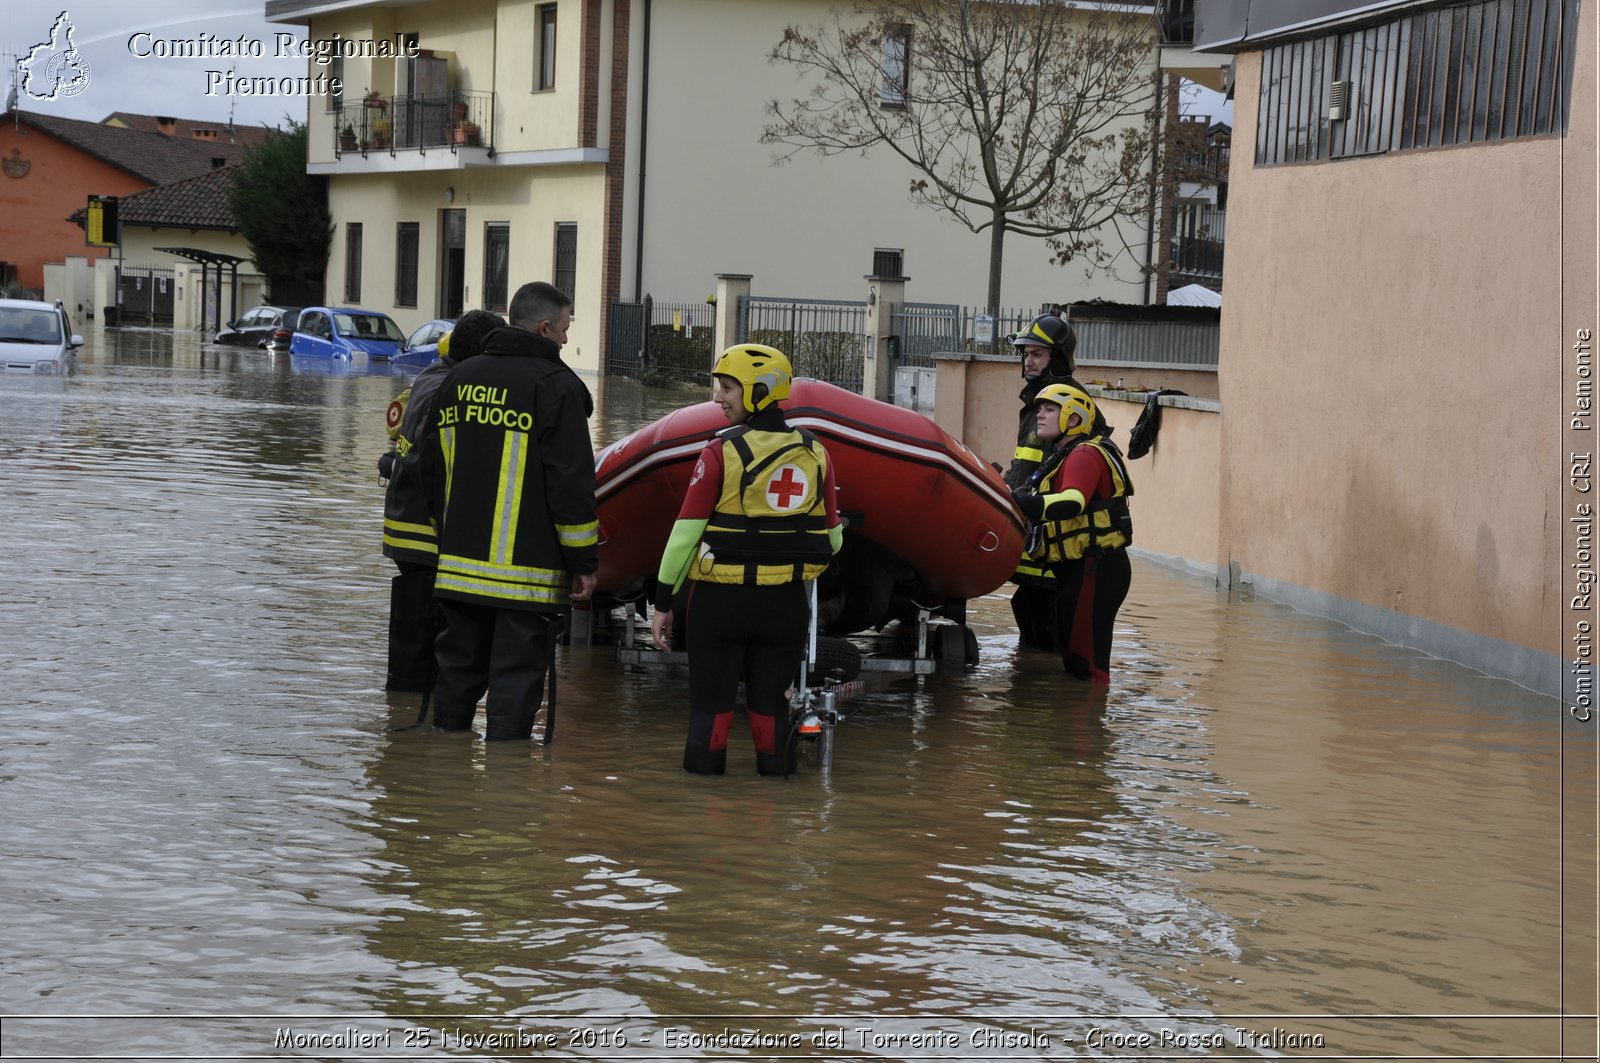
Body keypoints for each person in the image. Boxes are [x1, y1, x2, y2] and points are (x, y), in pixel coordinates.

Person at [650, 343, 843, 776]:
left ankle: (702, 813)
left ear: (758, 390)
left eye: (727, 388)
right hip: (785, 607)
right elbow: (833, 540)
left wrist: (663, 602)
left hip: (720, 605)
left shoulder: (720, 452)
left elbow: (684, 538)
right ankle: (775, 821)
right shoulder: (816, 453)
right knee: (773, 715)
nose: (718, 398)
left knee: (710, 716)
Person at [423, 283, 598, 740]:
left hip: (458, 571)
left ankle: (442, 768)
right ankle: (507, 789)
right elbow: (572, 487)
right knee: (514, 688)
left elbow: (429, 468)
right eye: (564, 328)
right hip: (528, 577)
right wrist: (583, 564)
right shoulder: (556, 388)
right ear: (544, 327)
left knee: (456, 677)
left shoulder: (456, 380)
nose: (565, 339)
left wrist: (447, 537)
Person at [379, 309, 505, 692]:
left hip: (409, 523)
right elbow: (431, 463)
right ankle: (419, 706)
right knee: (430, 629)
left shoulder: (433, 376)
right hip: (423, 530)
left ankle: (412, 712)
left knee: (421, 627)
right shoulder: (449, 387)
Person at [1010, 383, 1133, 685]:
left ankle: (1089, 728)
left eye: (1050, 409)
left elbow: (1072, 502)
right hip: (1081, 568)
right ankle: (1077, 726)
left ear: (1074, 419)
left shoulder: (1084, 455)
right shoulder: (1064, 455)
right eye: (1039, 409)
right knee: (1075, 661)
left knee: (1087, 666)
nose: (1040, 415)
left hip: (1097, 567)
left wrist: (1021, 502)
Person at [1002, 313, 1096, 652]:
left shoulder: (1069, 404)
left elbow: (1064, 475)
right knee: (1029, 610)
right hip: (1038, 538)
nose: (1028, 361)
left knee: (1048, 631)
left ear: (1056, 357)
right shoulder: (1039, 403)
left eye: (1037, 354)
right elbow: (1027, 465)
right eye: (1025, 354)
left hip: (1058, 545)